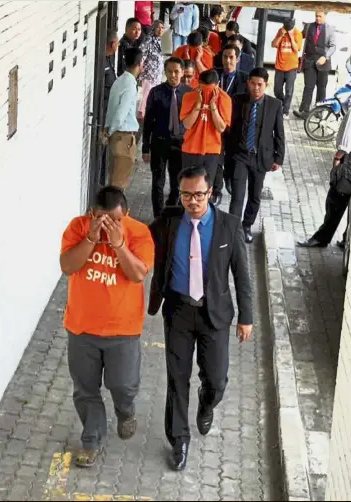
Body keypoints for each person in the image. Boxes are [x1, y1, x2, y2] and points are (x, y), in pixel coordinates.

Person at [148, 166, 253, 471]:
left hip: (214, 314)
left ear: (210, 193)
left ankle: (207, 403)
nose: (191, 201)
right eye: (185, 194)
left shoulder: (228, 227)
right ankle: (179, 439)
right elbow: (137, 237)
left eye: (198, 194)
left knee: (216, 378)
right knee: (177, 378)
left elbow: (242, 277)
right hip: (178, 310)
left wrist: (246, 316)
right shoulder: (168, 221)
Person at [60, 186, 155, 468]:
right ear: (92, 213)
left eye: (114, 220)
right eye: (101, 219)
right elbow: (67, 265)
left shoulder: (138, 233)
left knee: (122, 385)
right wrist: (91, 238)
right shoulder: (78, 228)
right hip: (81, 328)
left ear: (124, 214)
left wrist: (119, 244)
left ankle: (125, 411)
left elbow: (138, 274)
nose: (107, 225)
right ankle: (92, 440)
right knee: (85, 390)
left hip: (122, 330)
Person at [297, 76, 351, 248]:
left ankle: (322, 238)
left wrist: (338, 159)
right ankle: (346, 240)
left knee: (335, 202)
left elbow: (347, 140)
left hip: (350, 162)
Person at [225, 67, 285, 244]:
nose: (256, 88)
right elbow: (230, 130)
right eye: (253, 84)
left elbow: (279, 133)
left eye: (260, 85)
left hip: (261, 158)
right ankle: (234, 229)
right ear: (248, 83)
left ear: (266, 85)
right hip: (240, 156)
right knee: (238, 194)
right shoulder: (237, 101)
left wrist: (278, 158)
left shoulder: (275, 105)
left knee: (254, 195)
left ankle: (246, 225)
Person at [142, 57, 191, 218]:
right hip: (160, 143)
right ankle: (158, 217)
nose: (173, 75)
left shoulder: (189, 94)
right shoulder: (156, 92)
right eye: (169, 71)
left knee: (177, 184)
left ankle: (171, 216)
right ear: (165, 72)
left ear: (182, 72)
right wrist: (145, 147)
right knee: (158, 182)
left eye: (176, 71)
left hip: (181, 145)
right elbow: (148, 121)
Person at [180, 69, 232, 194]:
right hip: (190, 149)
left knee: (206, 189)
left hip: (212, 151)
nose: (207, 93)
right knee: (189, 187)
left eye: (210, 89)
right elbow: (187, 124)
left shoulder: (224, 98)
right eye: (204, 89)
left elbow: (221, 127)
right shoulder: (189, 96)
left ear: (217, 85)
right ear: (198, 84)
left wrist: (213, 107)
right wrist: (198, 104)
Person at [212, 44, 248, 205]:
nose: (227, 61)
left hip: (234, 126)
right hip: (216, 124)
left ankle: (228, 178)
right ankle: (217, 189)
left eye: (231, 57)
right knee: (217, 158)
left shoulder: (244, 79)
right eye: (225, 57)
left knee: (232, 157)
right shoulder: (215, 76)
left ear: (238, 59)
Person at [105, 48, 143, 188]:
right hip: (124, 138)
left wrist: (108, 129)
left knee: (114, 180)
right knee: (118, 185)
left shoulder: (119, 80)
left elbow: (111, 109)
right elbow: (121, 114)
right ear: (140, 63)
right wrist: (110, 131)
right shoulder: (130, 84)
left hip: (117, 136)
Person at [293, 11, 336, 119]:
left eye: (320, 16)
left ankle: (319, 111)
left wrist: (325, 56)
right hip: (309, 61)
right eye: (316, 16)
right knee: (308, 86)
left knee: (321, 88)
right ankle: (304, 111)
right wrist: (290, 30)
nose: (317, 18)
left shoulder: (330, 28)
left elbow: (333, 46)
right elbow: (300, 36)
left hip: (323, 63)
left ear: (325, 16)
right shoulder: (309, 26)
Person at [272, 19, 303, 119]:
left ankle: (285, 111)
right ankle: (282, 102)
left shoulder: (297, 33)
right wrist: (281, 35)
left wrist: (291, 36)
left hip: (292, 67)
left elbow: (297, 48)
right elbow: (273, 44)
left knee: (289, 91)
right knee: (277, 90)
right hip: (279, 66)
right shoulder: (281, 31)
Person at [101, 30, 119, 187]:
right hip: (103, 112)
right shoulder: (102, 62)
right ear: (113, 43)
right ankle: (100, 181)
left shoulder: (108, 59)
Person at [138, 20, 165, 120]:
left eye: (162, 28)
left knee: (152, 94)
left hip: (157, 74)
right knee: (147, 94)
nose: (160, 30)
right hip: (148, 73)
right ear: (153, 28)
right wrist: (139, 70)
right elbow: (142, 56)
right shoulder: (148, 40)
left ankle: (147, 113)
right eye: (158, 27)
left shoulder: (161, 41)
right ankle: (143, 115)